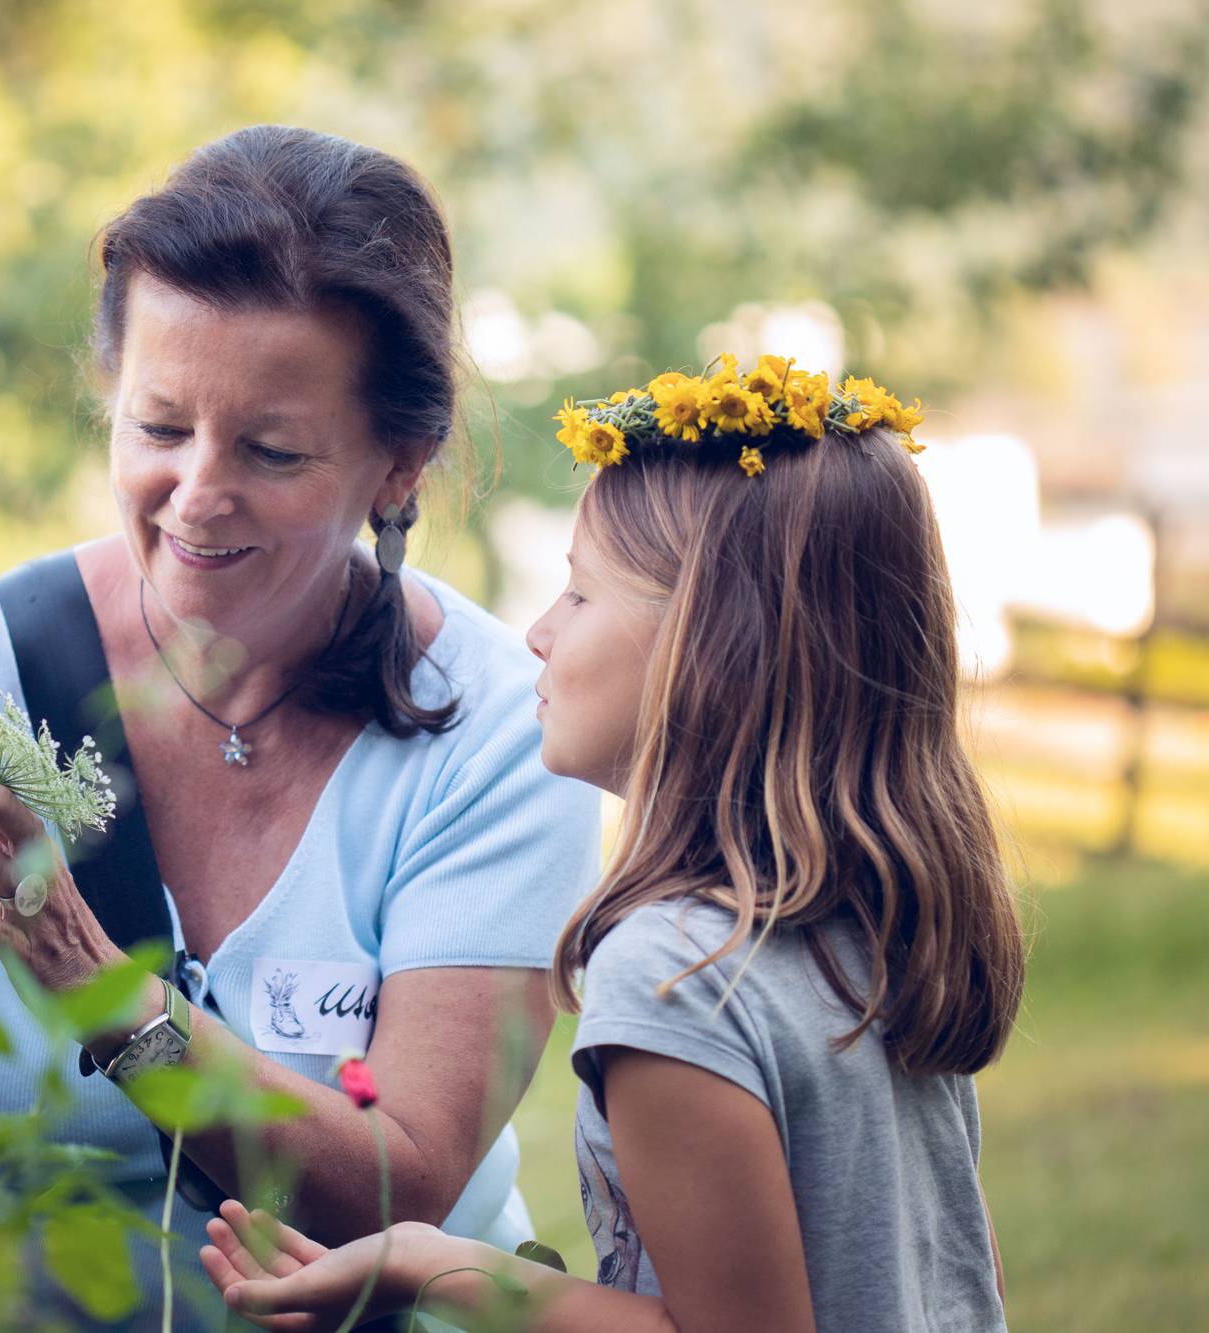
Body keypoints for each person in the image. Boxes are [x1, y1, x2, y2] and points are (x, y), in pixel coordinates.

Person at [0, 125, 600, 1328]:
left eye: (270, 449)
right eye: (158, 428)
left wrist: (117, 1009)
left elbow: (395, 1189)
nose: (198, 493)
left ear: (398, 467)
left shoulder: (497, 725)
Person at [201, 358, 1026, 1332]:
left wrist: (432, 1268)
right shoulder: (870, 918)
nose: (537, 636)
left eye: (579, 596)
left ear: (710, 646)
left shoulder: (675, 973)